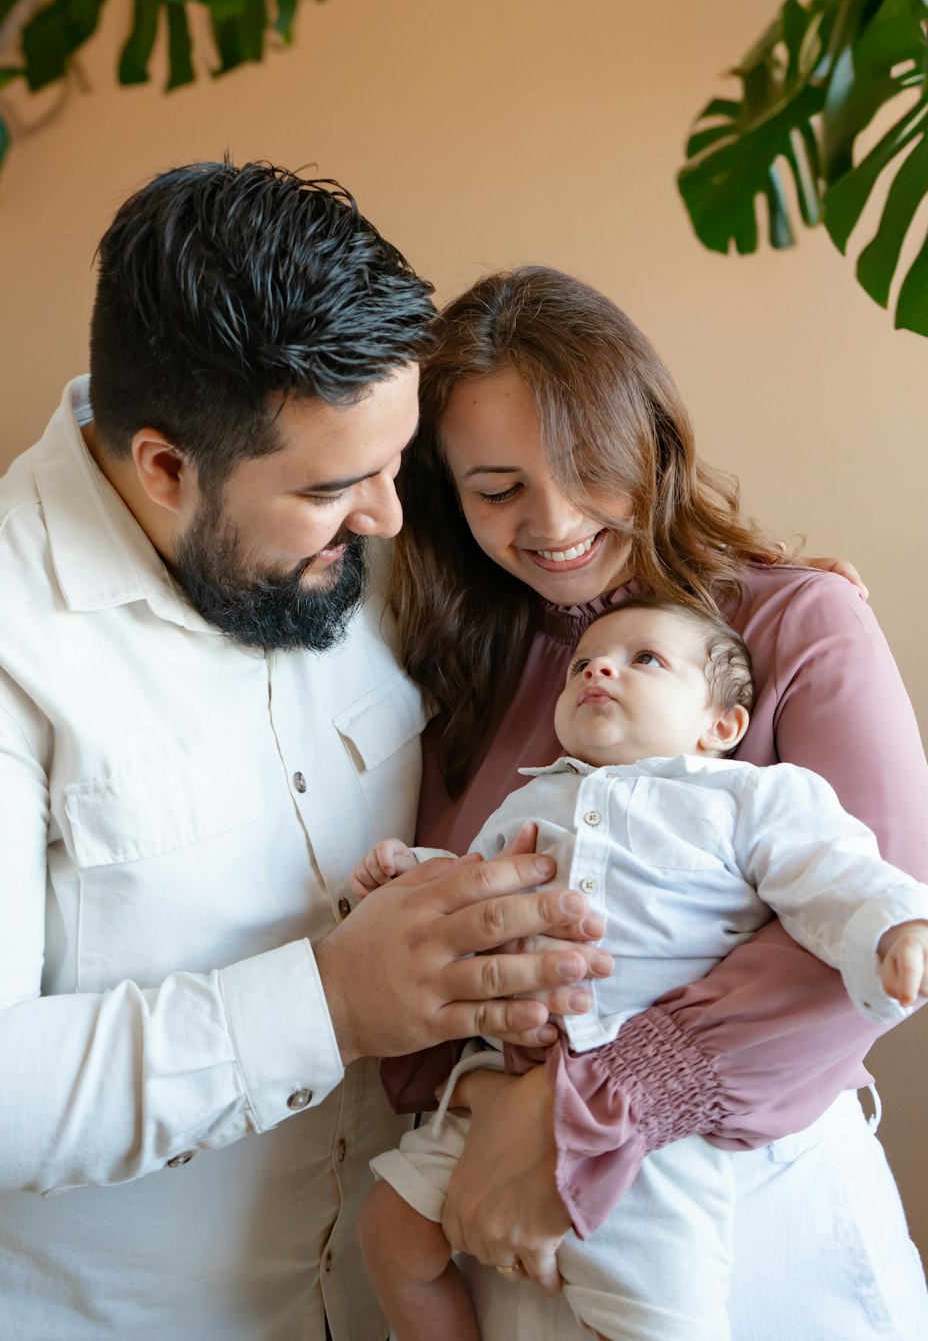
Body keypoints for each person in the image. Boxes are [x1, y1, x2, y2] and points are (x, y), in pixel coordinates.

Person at [0, 170, 610, 1341]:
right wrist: (328, 1003)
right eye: (336, 488)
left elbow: (584, 580)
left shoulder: (369, 522)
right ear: (163, 469)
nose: (392, 519)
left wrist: (787, 616)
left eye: (397, 465)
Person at [382, 266, 928, 1340]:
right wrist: (489, 1112)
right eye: (497, 490)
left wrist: (584, 1112)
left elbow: (879, 937)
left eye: (590, 467)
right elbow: (427, 969)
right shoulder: (464, 677)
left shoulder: (795, 623)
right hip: (501, 1242)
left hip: (753, 1247)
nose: (555, 523)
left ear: (652, 439)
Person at [354, 599, 928, 1341]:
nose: (598, 668)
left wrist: (895, 925)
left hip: (656, 1139)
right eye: (582, 664)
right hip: (504, 1087)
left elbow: (832, 870)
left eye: (644, 660)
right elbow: (471, 889)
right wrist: (409, 875)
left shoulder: (745, 798)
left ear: (720, 725)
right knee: (389, 1234)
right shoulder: (530, 800)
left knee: (653, 1318)